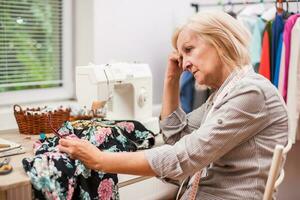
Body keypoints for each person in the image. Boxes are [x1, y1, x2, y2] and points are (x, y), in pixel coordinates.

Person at [58, 11, 288, 199]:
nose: (184, 63)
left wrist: (101, 160)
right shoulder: (222, 96)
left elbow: (184, 157)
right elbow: (177, 137)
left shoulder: (251, 93)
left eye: (189, 50)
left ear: (220, 40)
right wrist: (171, 79)